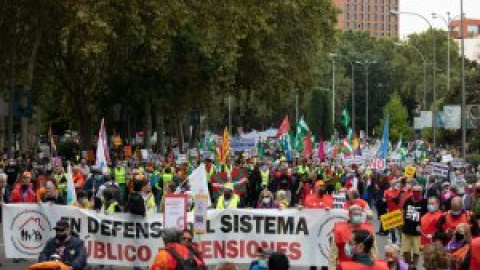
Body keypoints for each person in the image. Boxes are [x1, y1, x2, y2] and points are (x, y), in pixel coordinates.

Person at [329, 205, 376, 270]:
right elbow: (333, 255)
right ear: (349, 215)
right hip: (344, 267)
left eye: (360, 214)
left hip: (363, 266)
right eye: (355, 214)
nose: (358, 216)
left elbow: (373, 252)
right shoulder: (339, 230)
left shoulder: (368, 229)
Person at [401, 185, 427, 269]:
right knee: (405, 250)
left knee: (416, 251)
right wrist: (400, 223)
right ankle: (408, 265)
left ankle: (414, 266)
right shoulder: (408, 200)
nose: (416, 193)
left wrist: (423, 227)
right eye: (414, 191)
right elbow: (403, 212)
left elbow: (427, 216)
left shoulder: (425, 202)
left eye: (418, 191)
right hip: (407, 229)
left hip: (418, 231)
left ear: (421, 192)